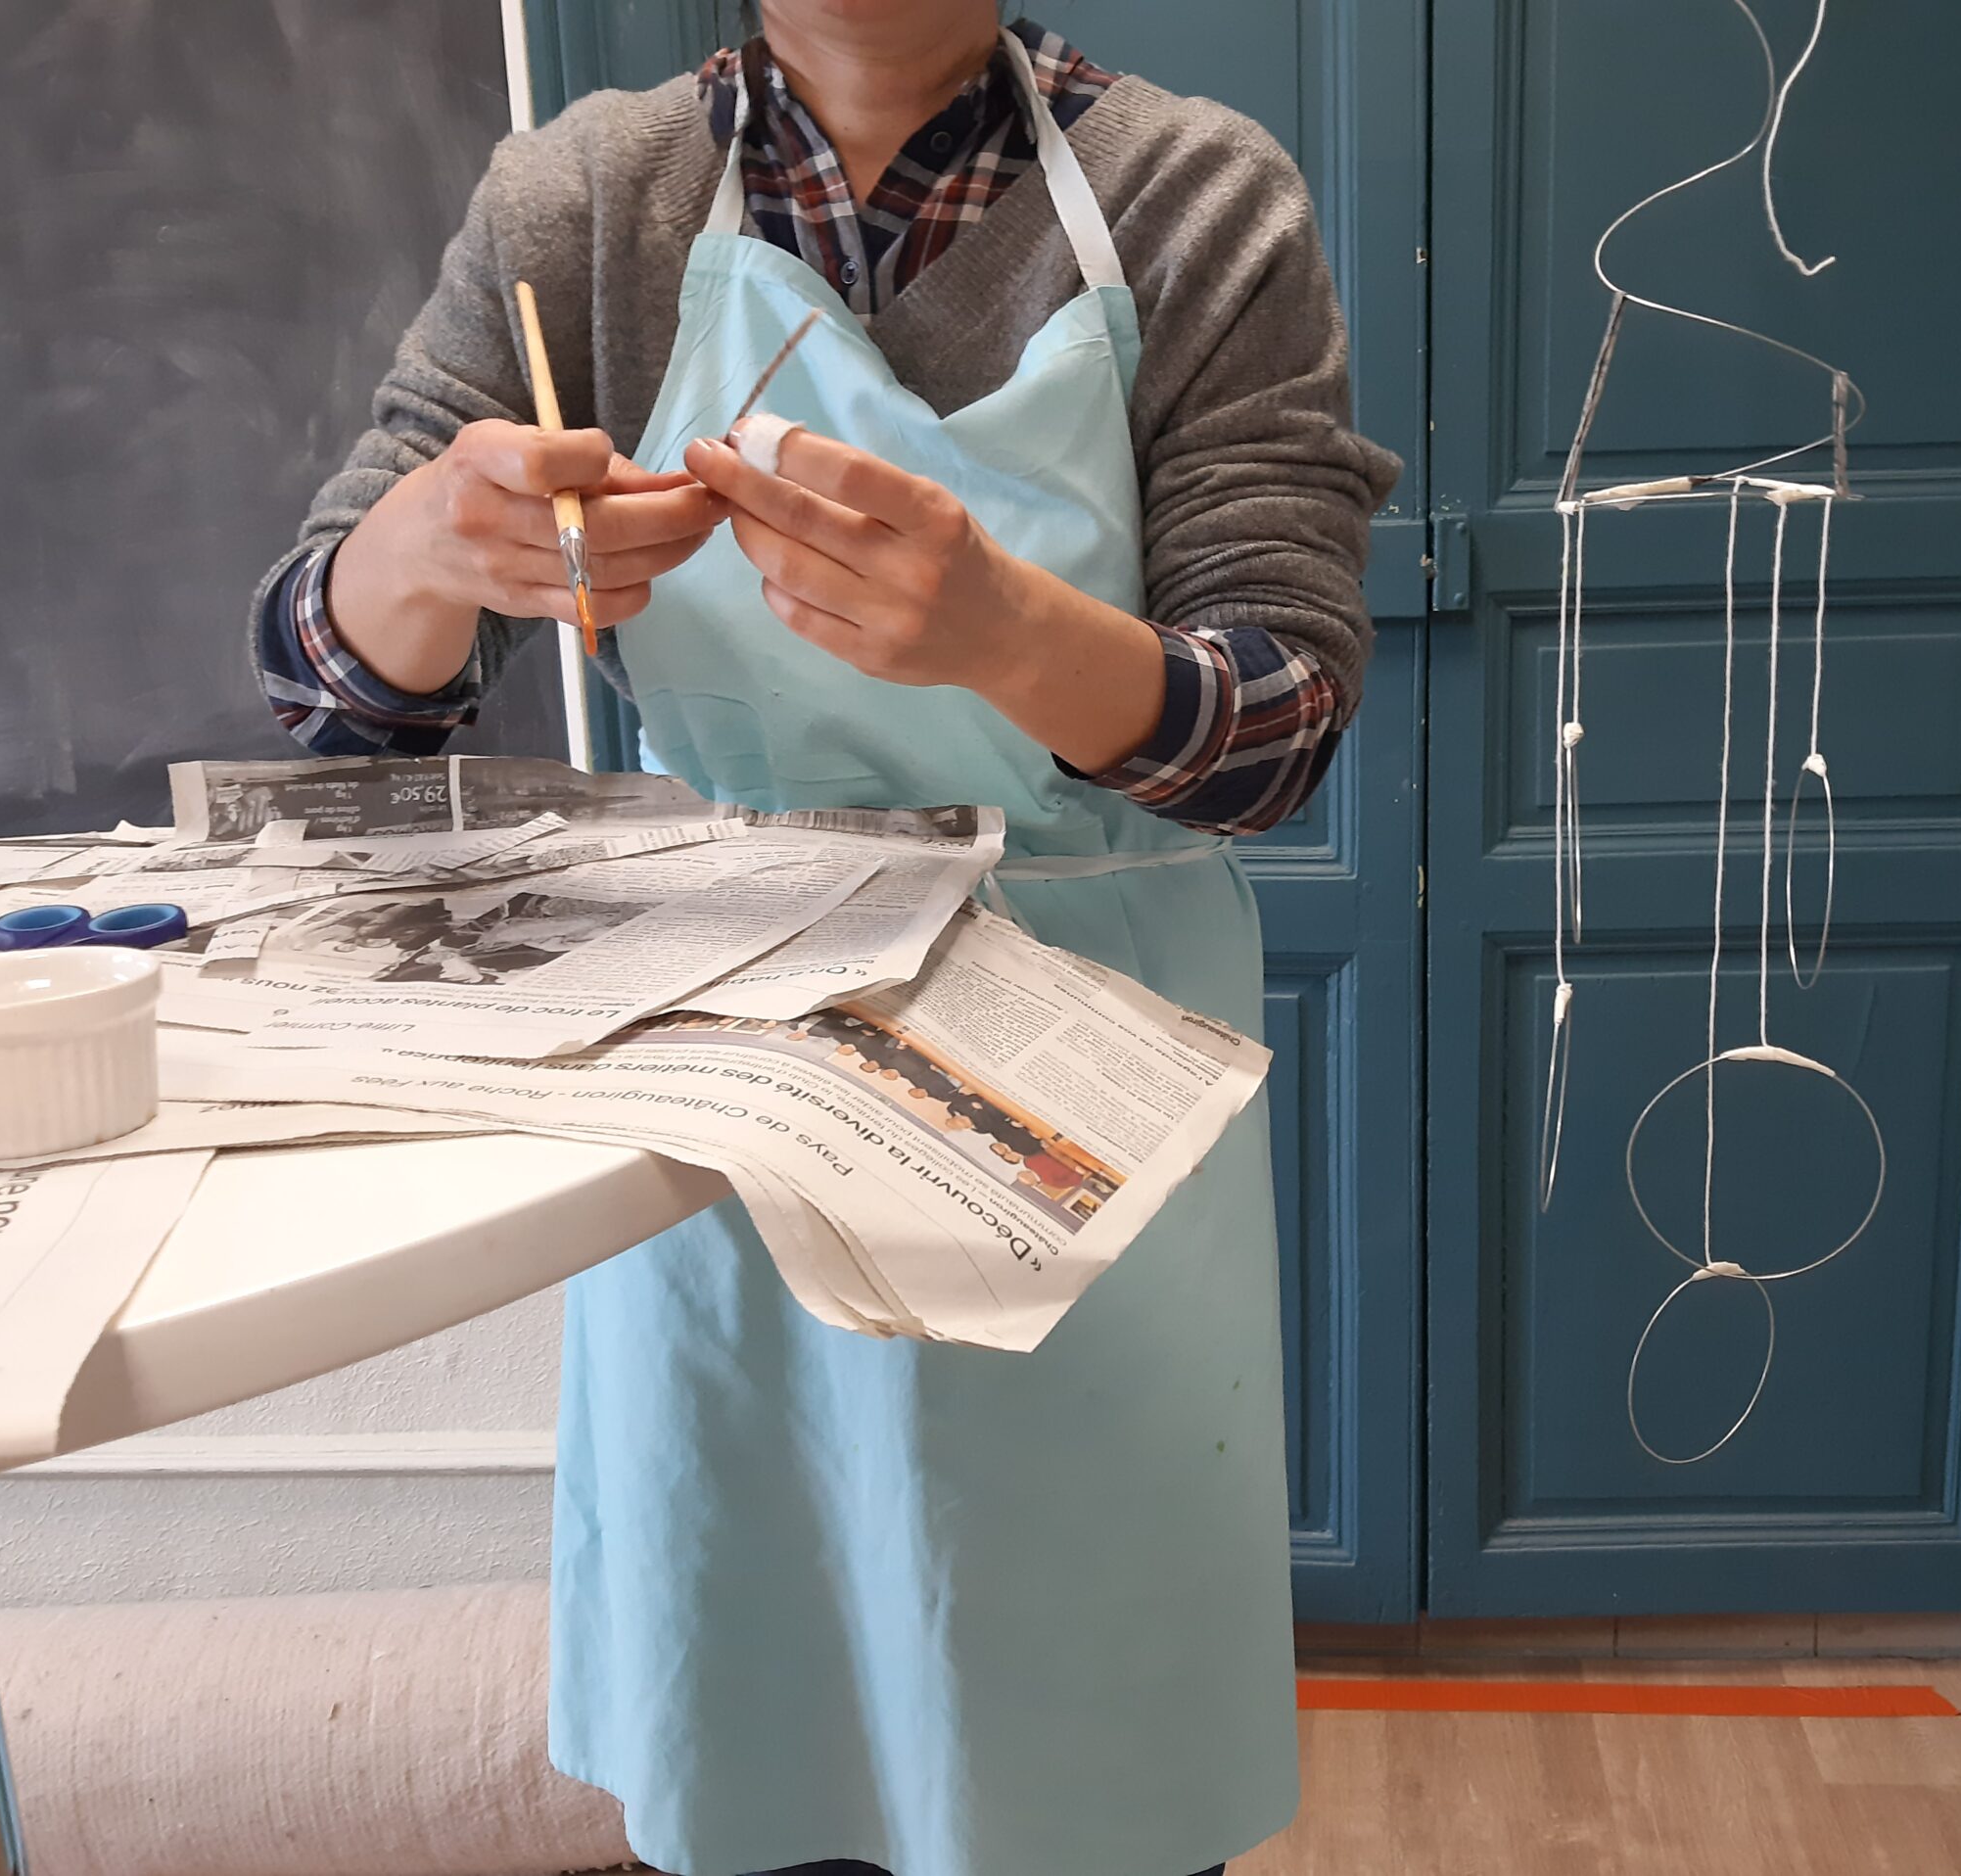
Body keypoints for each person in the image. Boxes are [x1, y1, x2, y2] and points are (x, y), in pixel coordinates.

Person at [249, 5, 1399, 1874]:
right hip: (727, 1061)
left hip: (1083, 1070)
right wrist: (433, 549)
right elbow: (327, 688)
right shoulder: (588, 201)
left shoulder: (1191, 194)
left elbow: (1279, 728)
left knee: (1089, 1753)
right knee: (764, 1726)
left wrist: (1007, 633)